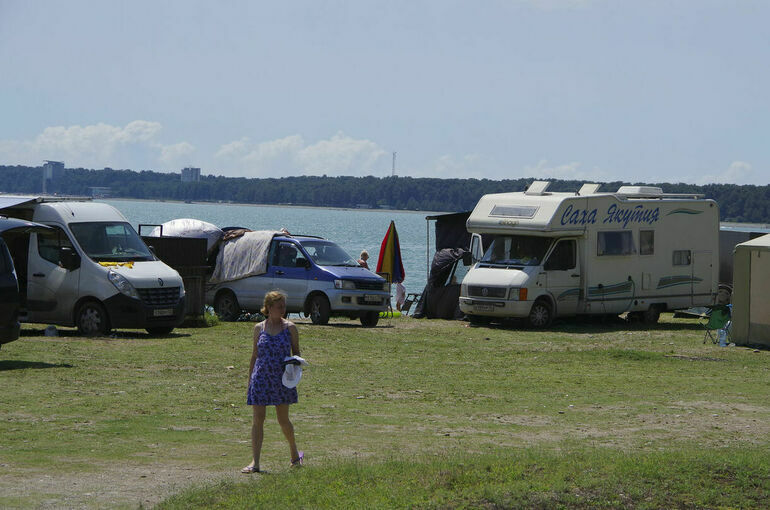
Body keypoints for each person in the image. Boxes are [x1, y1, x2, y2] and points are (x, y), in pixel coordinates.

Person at [242, 291, 303, 473]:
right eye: (279, 306)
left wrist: (295, 369)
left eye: (284, 306)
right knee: (258, 419)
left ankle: (294, 454)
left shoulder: (290, 328)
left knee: (283, 420)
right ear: (269, 308)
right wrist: (250, 380)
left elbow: (297, 353)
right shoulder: (259, 328)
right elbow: (254, 355)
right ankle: (256, 462)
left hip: (282, 380)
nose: (283, 310)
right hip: (261, 378)